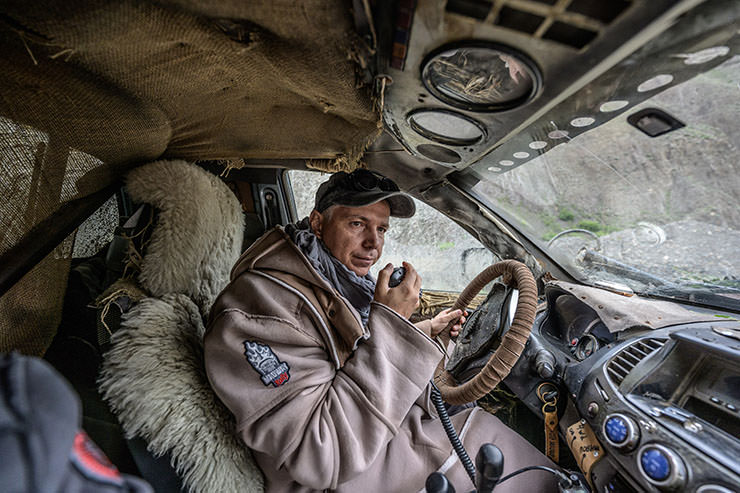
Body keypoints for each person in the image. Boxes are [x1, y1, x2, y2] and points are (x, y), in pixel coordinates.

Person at [204, 169, 557, 492]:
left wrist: (423, 332)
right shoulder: (261, 308)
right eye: (357, 224)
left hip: (386, 442)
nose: (374, 243)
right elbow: (318, 453)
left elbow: (345, 357)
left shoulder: (328, 278)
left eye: (382, 229)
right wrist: (392, 325)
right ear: (317, 223)